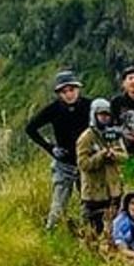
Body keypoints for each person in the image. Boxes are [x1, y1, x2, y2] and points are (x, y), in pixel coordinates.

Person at [23, 69, 91, 229]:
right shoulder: (53, 109)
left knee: (88, 204)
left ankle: (87, 234)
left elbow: (106, 121)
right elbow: (31, 128)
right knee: (58, 206)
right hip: (64, 164)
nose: (69, 94)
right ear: (59, 94)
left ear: (78, 89)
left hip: (86, 162)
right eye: (64, 91)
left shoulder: (90, 106)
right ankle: (51, 233)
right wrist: (50, 148)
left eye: (71, 89)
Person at [76, 97, 130, 237]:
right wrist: (101, 155)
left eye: (107, 114)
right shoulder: (86, 138)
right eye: (101, 114)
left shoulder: (114, 135)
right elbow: (83, 164)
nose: (105, 118)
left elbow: (125, 156)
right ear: (94, 115)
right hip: (94, 194)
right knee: (93, 232)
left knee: (115, 229)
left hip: (113, 190)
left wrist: (113, 155)